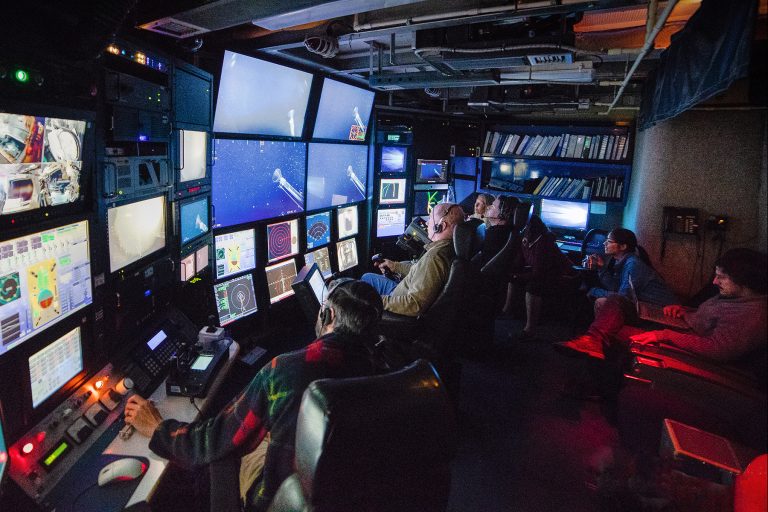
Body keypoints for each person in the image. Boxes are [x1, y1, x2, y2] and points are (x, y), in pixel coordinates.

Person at [124, 279, 385, 512]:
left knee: (231, 445)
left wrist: (158, 428)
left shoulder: (285, 371)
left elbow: (215, 441)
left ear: (326, 315)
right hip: (338, 491)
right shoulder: (380, 371)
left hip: (276, 499)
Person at [556, 248, 767, 366]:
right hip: (682, 324)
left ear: (745, 280)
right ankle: (592, 339)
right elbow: (708, 319)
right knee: (615, 301)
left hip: (682, 339)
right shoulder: (735, 297)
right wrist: (685, 311)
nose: (714, 282)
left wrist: (664, 335)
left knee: (615, 330)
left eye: (721, 277)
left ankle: (601, 382)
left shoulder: (752, 314)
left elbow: (716, 349)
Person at [556, 229, 677, 354]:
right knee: (602, 301)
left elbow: (622, 298)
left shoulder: (633, 264)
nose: (604, 244)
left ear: (623, 246)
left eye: (609, 241)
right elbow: (616, 289)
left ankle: (596, 343)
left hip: (658, 314)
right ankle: (597, 345)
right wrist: (602, 268)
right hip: (642, 307)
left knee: (602, 301)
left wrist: (594, 291)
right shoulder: (623, 262)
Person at [361, 202, 463, 317]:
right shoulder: (451, 248)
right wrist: (395, 266)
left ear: (441, 226)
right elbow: (423, 272)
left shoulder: (434, 257)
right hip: (405, 289)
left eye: (430, 219)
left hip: (398, 300)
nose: (428, 223)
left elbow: (414, 305)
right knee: (367, 277)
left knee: (363, 286)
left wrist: (377, 301)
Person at [509, 214, 574, 337]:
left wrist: (519, 276)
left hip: (562, 276)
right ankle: (507, 311)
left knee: (533, 287)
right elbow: (520, 263)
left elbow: (539, 271)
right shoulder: (527, 240)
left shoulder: (544, 241)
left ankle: (529, 330)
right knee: (512, 278)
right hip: (545, 274)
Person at [474, 195, 518, 267]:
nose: (488, 207)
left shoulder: (495, 234)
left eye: (493, 206)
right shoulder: (509, 232)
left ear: (502, 214)